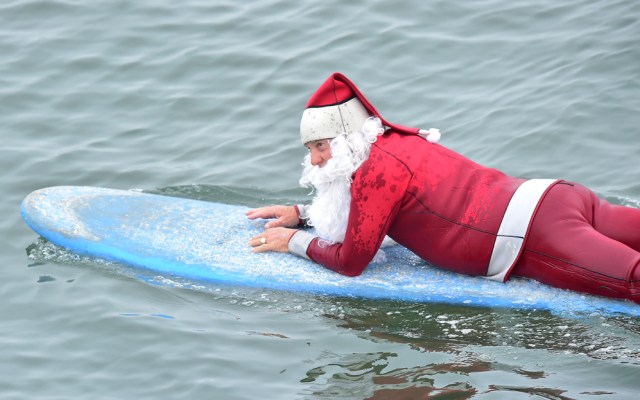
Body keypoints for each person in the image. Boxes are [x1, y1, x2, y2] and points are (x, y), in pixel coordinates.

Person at [246, 72, 640, 304]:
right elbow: (375, 212)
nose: (315, 160)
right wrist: (304, 215)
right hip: (557, 196)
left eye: (320, 146)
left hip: (534, 237)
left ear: (347, 139)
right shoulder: (395, 143)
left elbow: (351, 262)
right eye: (310, 149)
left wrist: (293, 242)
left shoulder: (375, 174)